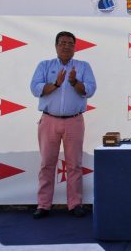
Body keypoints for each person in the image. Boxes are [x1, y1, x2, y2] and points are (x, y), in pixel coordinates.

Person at [30, 31, 96, 219]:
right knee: (46, 164)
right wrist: (57, 84)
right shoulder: (45, 65)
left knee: (74, 164)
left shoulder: (83, 67)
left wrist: (74, 81)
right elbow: (35, 89)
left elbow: (90, 90)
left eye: (70, 43)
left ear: (75, 47)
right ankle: (43, 205)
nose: (66, 46)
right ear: (56, 46)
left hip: (74, 121)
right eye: (62, 43)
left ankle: (75, 204)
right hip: (49, 120)